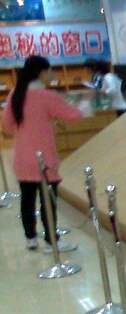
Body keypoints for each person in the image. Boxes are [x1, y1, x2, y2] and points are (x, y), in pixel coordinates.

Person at [2, 55, 85, 251]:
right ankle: (51, 240)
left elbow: (7, 125)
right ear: (42, 73)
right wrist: (83, 104)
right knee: (48, 202)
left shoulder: (15, 94)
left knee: (27, 200)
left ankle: (31, 238)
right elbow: (74, 115)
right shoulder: (48, 96)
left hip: (23, 157)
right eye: (49, 70)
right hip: (44, 159)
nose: (52, 74)